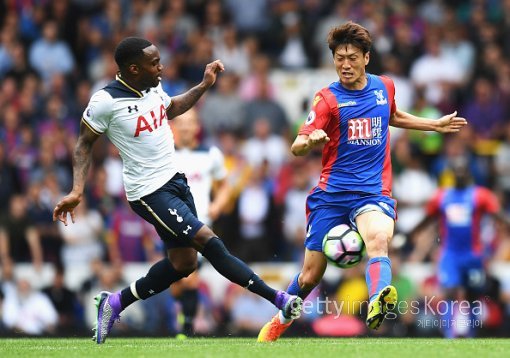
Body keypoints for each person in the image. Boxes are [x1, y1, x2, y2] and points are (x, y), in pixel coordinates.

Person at [52, 37, 302, 344]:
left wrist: (204, 85)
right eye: (154, 63)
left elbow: (171, 108)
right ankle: (279, 300)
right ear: (133, 68)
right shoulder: (105, 102)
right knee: (207, 240)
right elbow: (83, 143)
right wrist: (77, 190)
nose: (161, 67)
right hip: (148, 191)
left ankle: (115, 303)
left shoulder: (152, 86)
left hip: (176, 181)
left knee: (184, 264)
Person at [257, 22, 467, 342]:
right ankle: (281, 320)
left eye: (352, 57)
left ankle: (378, 300)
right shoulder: (326, 99)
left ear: (366, 58)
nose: (345, 64)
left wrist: (433, 125)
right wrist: (310, 141)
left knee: (379, 239)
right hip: (331, 195)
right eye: (339, 58)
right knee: (311, 274)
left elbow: (392, 116)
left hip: (372, 192)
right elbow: (296, 146)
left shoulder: (384, 87)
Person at [409, 157, 510, 338]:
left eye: (463, 170)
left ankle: (471, 334)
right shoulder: (442, 196)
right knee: (449, 291)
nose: (460, 174)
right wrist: (412, 232)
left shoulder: (480, 195)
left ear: (469, 173)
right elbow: (428, 218)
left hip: (473, 254)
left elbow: (498, 216)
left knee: (472, 295)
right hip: (450, 254)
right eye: (457, 171)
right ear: (452, 174)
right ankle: (449, 334)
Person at [170, 107, 232, 336]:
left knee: (190, 278)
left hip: (200, 225)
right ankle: (183, 316)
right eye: (182, 122)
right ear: (173, 127)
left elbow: (225, 186)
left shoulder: (211, 154)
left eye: (191, 122)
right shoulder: (165, 155)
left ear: (197, 126)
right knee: (175, 282)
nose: (186, 127)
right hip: (170, 225)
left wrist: (217, 205)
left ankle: (186, 330)